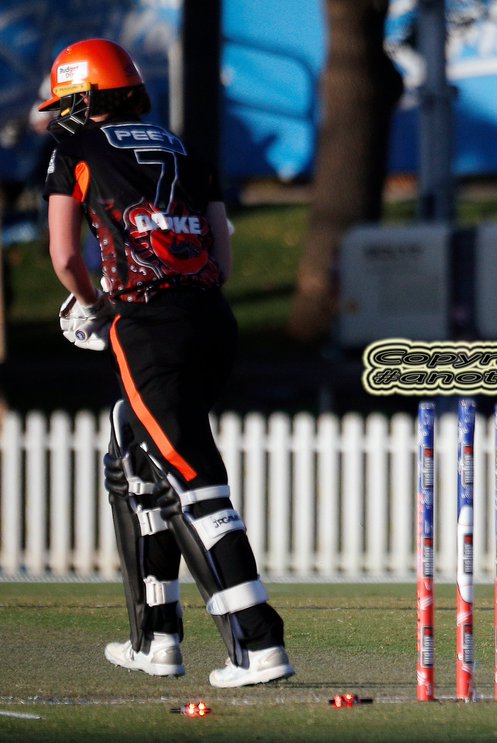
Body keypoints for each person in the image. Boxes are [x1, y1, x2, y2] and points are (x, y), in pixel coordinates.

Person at [41, 38, 293, 687]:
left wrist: (93, 304)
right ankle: (156, 639)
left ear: (84, 97)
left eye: (66, 102)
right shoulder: (187, 149)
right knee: (131, 460)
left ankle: (259, 644)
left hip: (149, 324)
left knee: (194, 481)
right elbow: (225, 260)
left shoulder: (74, 150)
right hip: (212, 319)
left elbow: (66, 257)